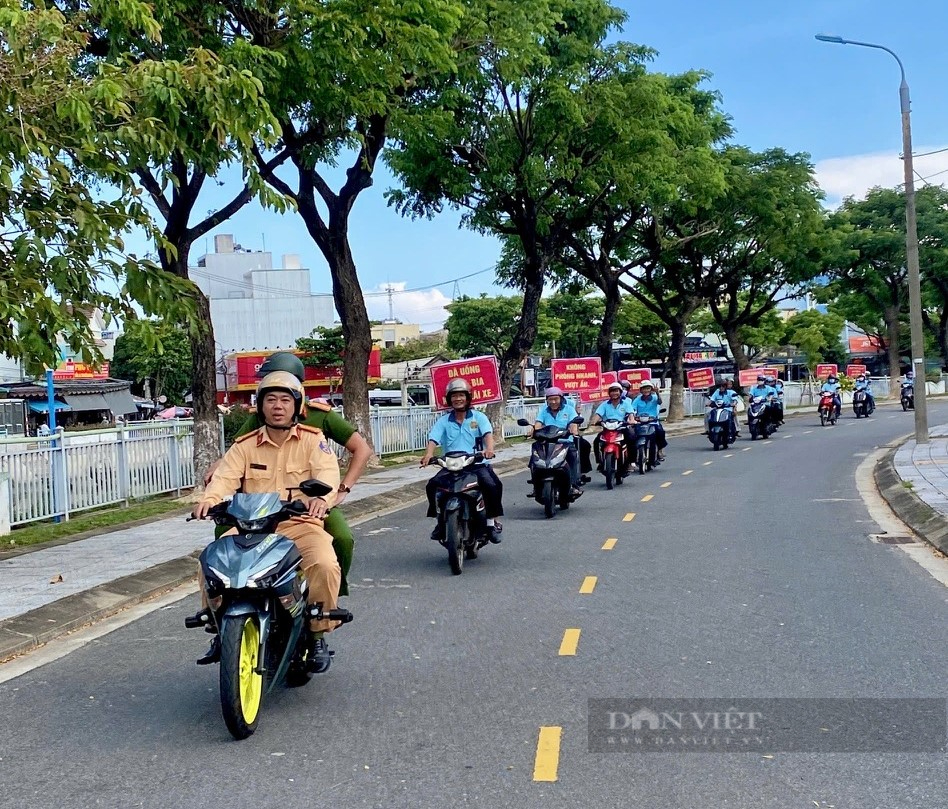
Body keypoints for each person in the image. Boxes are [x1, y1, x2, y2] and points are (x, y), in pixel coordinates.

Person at [191, 370, 342, 671]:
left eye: (285, 400)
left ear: (296, 406)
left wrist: (321, 500)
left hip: (299, 525)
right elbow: (225, 478)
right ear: (260, 406)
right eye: (270, 399)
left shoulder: (314, 441)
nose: (277, 406)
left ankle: (317, 634)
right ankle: (218, 627)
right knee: (210, 560)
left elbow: (327, 474)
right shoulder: (244, 446)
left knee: (325, 563)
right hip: (250, 528)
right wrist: (210, 499)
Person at [204, 351, 372, 597]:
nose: (277, 405)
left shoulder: (319, 419)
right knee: (216, 548)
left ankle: (326, 601)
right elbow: (236, 455)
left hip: (305, 507)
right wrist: (212, 491)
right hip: (258, 513)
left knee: (340, 541)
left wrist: (338, 492)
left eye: (284, 395)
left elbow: (354, 453)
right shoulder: (262, 419)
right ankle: (218, 616)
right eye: (270, 395)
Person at [421, 378, 504, 543]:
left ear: (468, 397)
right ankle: (439, 522)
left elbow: (488, 434)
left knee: (492, 485)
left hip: (476, 464)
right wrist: (428, 455)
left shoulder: (479, 417)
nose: (457, 399)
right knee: (432, 485)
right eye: (454, 396)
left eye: (461, 395)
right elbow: (433, 439)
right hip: (451, 465)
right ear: (449, 399)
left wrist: (489, 450)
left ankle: (490, 523)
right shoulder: (444, 421)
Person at [529, 386, 582, 496]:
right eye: (550, 399)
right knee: (534, 459)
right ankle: (536, 486)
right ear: (547, 400)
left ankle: (573, 485)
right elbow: (538, 423)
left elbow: (573, 423)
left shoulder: (569, 409)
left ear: (561, 399)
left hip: (565, 441)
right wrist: (533, 431)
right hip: (546, 442)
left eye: (556, 399)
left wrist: (573, 430)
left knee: (572, 456)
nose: (553, 402)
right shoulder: (544, 411)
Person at [589, 382, 635, 472]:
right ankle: (600, 462)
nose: (614, 393)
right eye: (612, 391)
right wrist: (593, 422)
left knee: (631, 438)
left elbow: (630, 414)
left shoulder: (626, 403)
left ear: (620, 392)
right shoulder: (605, 404)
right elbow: (598, 414)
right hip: (607, 428)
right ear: (609, 393)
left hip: (622, 428)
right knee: (596, 441)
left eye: (616, 391)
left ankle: (630, 461)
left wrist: (631, 420)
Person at [628, 381, 667, 461]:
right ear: (641, 390)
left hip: (653, 421)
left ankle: (659, 450)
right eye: (644, 389)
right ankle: (632, 457)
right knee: (631, 434)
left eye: (648, 388)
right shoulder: (637, 399)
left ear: (651, 390)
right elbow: (632, 409)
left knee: (660, 432)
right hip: (640, 421)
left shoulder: (655, 397)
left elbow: (659, 402)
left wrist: (658, 393)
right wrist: (633, 416)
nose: (646, 390)